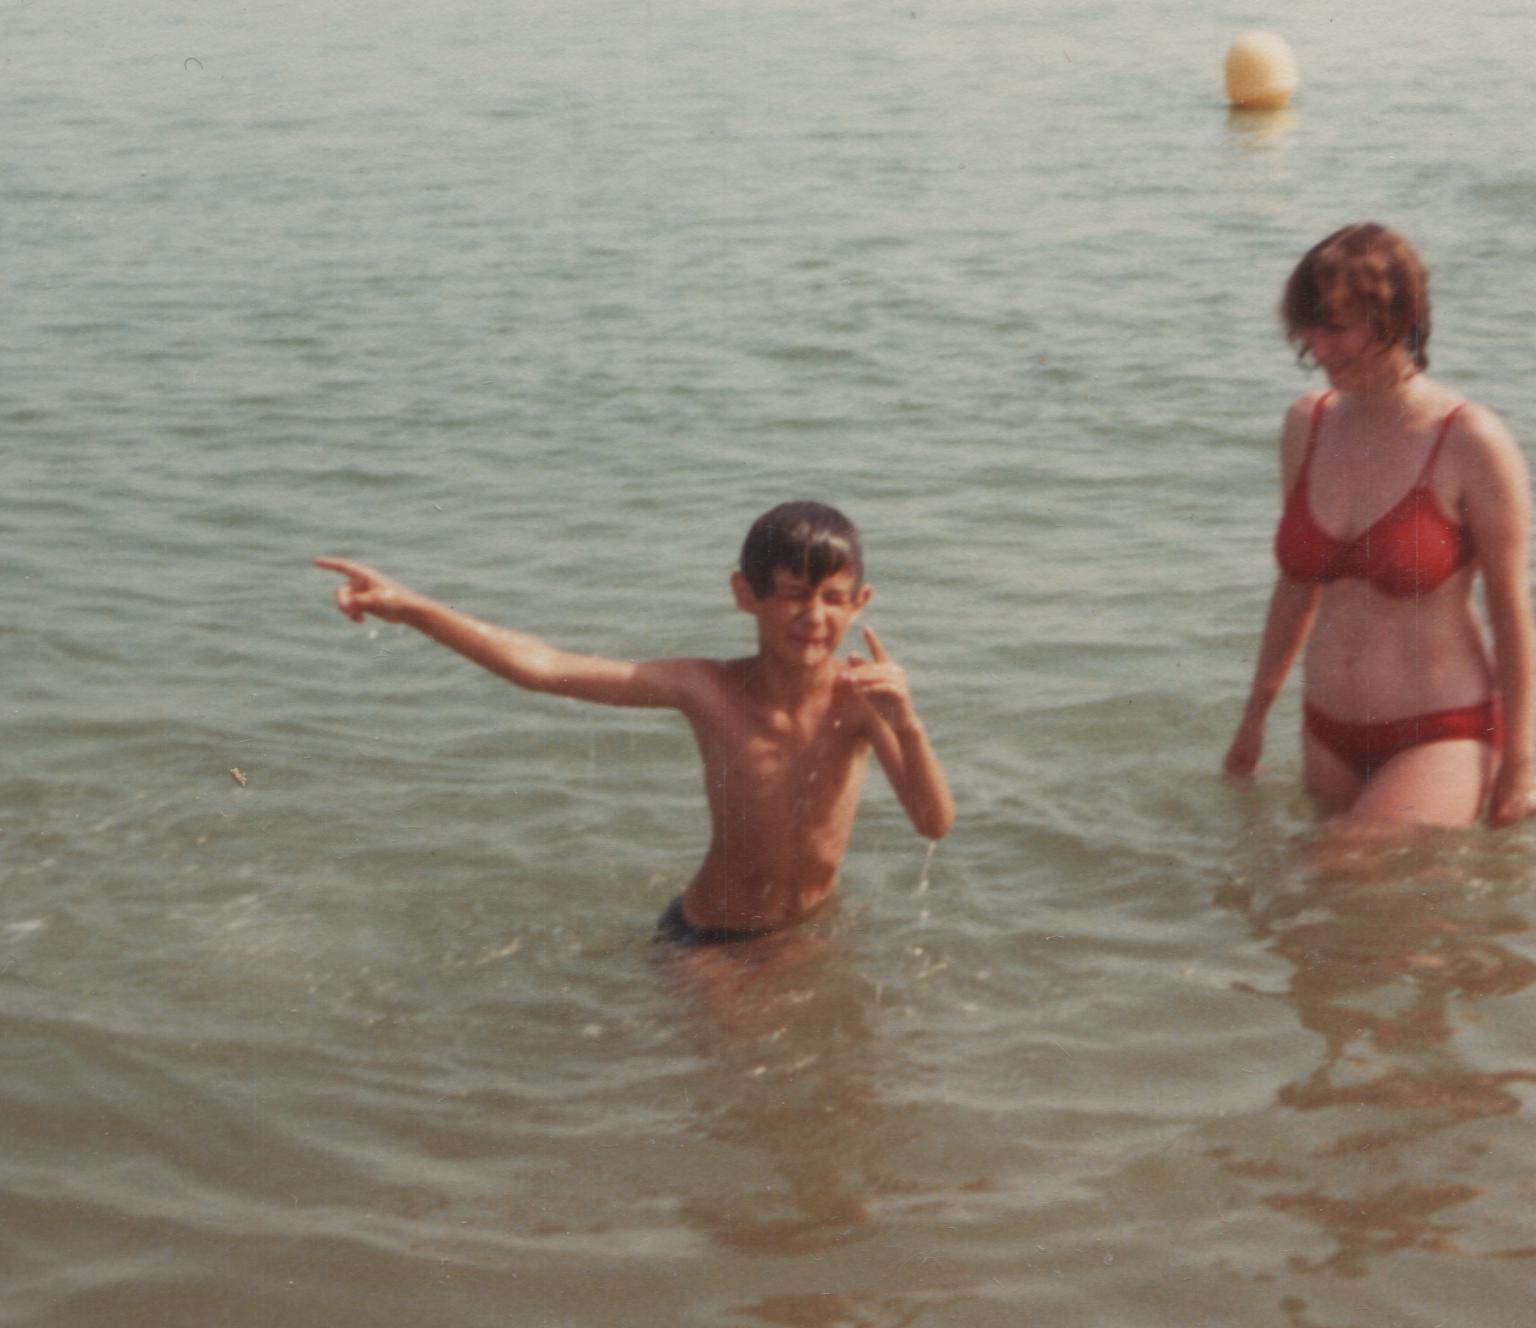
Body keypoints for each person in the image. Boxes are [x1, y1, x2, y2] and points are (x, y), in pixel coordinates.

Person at [317, 501, 954, 942]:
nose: (814, 617)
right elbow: (544, 666)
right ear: (745, 594)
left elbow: (934, 822)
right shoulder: (708, 689)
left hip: (809, 931)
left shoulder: (864, 701)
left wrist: (908, 723)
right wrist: (413, 608)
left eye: (833, 599)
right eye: (792, 594)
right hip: (712, 941)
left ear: (859, 604)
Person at [1224, 223, 1534, 829]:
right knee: (1329, 892)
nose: (1317, 348)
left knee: (1334, 868)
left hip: (1441, 731)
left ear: (1399, 318)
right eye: (1307, 328)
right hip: (1327, 731)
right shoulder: (1307, 425)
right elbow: (1296, 588)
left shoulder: (1470, 440)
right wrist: (1254, 718)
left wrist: (1522, 767)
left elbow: (1510, 613)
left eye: (1336, 328)